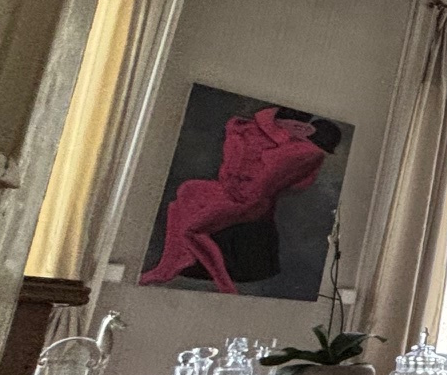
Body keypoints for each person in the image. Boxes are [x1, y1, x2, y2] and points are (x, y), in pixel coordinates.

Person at [140, 106, 340, 294]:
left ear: (307, 130)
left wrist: (243, 178)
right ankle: (172, 262)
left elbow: (265, 177)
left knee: (191, 230)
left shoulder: (301, 152)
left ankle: (225, 286)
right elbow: (297, 184)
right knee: (186, 191)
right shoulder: (290, 146)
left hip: (246, 199)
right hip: (240, 192)